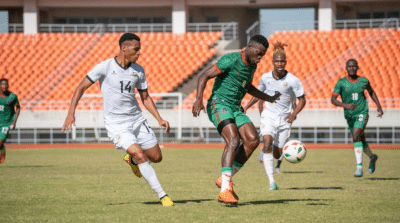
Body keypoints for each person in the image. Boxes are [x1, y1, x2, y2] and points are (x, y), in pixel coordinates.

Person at [62, 33, 174, 206]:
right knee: (139, 152)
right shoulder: (104, 67)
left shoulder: (138, 70)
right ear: (124, 48)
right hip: (116, 124)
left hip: (137, 120)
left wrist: (159, 119)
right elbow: (80, 87)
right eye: (136, 49)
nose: (139, 53)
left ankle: (132, 160)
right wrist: (71, 112)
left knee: (156, 157)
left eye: (140, 50)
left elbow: (145, 97)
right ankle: (163, 195)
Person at [192, 35, 281, 205]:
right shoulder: (231, 59)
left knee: (253, 140)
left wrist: (268, 98)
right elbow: (203, 76)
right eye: (258, 53)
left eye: (263, 54)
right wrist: (198, 99)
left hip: (235, 107)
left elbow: (247, 87)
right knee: (233, 140)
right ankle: (224, 191)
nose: (260, 57)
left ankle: (225, 178)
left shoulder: (252, 66)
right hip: (219, 104)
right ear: (249, 46)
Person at [243, 42, 306, 190]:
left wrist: (293, 113)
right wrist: (246, 106)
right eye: (277, 61)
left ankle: (270, 150)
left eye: (282, 61)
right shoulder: (265, 78)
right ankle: (272, 182)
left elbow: (302, 100)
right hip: (269, 115)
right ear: (272, 62)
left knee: (278, 154)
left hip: (285, 118)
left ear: (285, 62)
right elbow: (258, 94)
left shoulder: (293, 80)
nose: (279, 63)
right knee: (266, 143)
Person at [331, 59, 383, 177]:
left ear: (357, 67)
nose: (352, 68)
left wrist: (379, 106)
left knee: (355, 134)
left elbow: (371, 92)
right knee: (360, 139)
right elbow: (333, 99)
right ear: (346, 68)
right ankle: (372, 157)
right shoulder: (341, 83)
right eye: (349, 66)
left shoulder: (364, 81)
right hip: (349, 115)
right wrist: (345, 105)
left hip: (362, 112)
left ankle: (359, 168)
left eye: (354, 66)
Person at [0, 78, 20, 164]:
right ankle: (2, 148)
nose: (4, 86)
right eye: (2, 84)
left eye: (6, 84)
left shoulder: (12, 97)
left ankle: (1, 148)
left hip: (6, 123)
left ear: (8, 85)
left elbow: (18, 107)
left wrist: (14, 121)